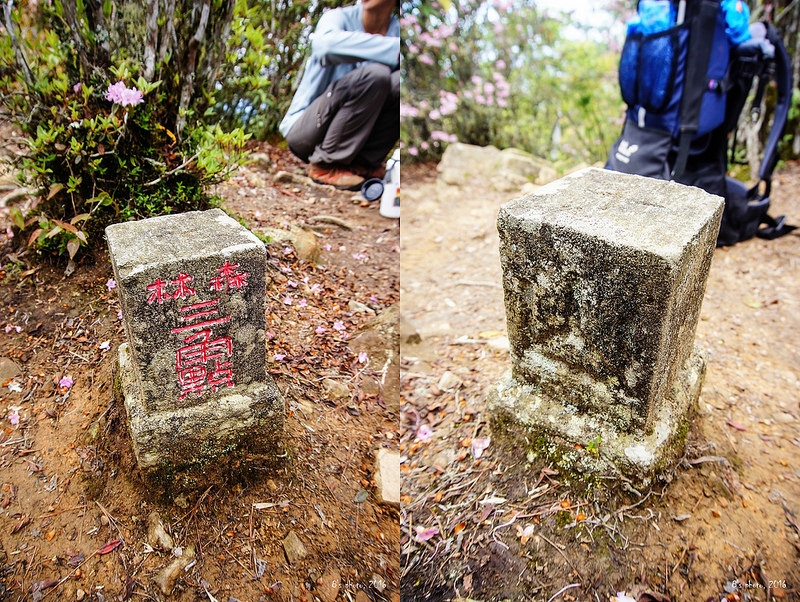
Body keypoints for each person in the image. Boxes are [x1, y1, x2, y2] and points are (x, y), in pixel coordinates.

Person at [279, 0, 400, 190]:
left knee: (399, 83)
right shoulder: (336, 18)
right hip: (307, 132)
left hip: (357, 141)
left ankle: (362, 164)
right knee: (375, 75)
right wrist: (394, 50)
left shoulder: (398, 31)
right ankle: (324, 166)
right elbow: (325, 47)